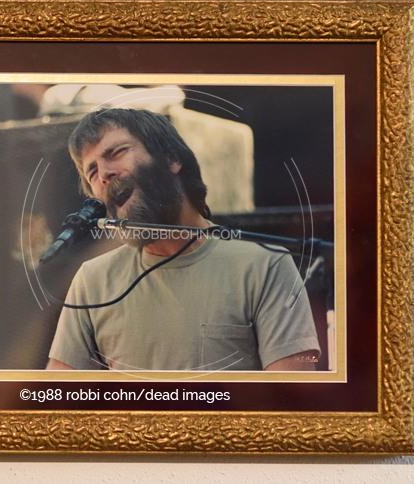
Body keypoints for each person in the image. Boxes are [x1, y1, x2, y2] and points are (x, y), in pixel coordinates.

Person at [47, 108, 320, 371]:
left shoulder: (266, 265)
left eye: (116, 152)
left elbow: (291, 395)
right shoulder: (92, 280)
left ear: (171, 158)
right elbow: (58, 393)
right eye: (92, 172)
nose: (104, 174)